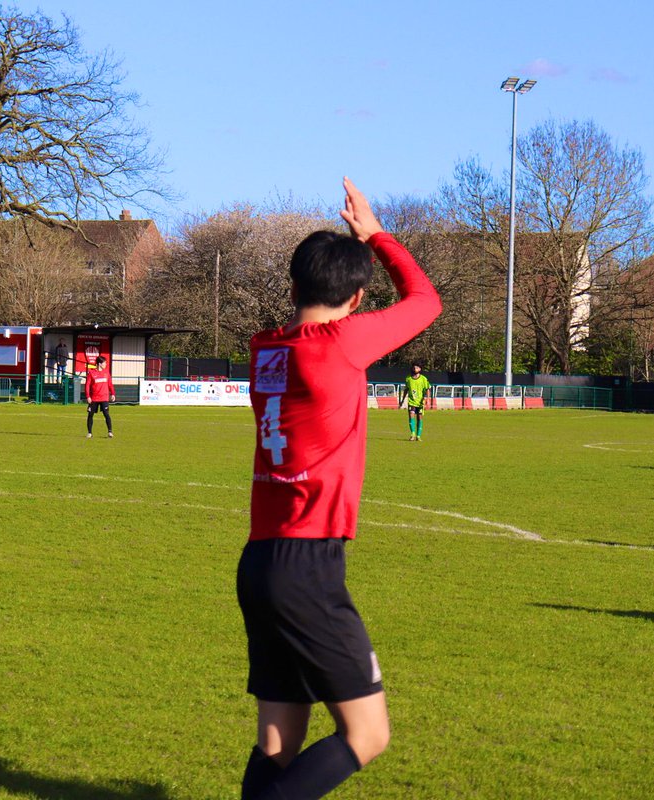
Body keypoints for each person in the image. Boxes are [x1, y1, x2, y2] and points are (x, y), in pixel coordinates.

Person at [237, 178, 441, 800]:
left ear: (294, 286)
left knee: (279, 740)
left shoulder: (265, 347)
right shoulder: (343, 344)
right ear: (356, 299)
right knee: (367, 733)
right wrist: (374, 234)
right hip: (309, 565)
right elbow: (425, 300)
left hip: (261, 559)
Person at [84, 354, 115, 439]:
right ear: (100, 364)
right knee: (90, 415)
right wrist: (88, 396)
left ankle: (110, 432)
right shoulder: (91, 373)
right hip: (94, 398)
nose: (106, 364)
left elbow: (110, 384)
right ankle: (89, 433)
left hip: (104, 398)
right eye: (104, 363)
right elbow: (87, 385)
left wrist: (113, 393)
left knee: (106, 414)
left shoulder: (106, 372)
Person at [399, 363, 432, 441]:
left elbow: (428, 389)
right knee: (411, 415)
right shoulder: (408, 378)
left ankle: (418, 436)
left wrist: (427, 399)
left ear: (420, 369)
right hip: (412, 401)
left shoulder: (423, 379)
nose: (415, 369)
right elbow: (406, 390)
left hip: (420, 402)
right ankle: (412, 434)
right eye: (414, 368)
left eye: (417, 368)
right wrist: (402, 400)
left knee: (419, 418)